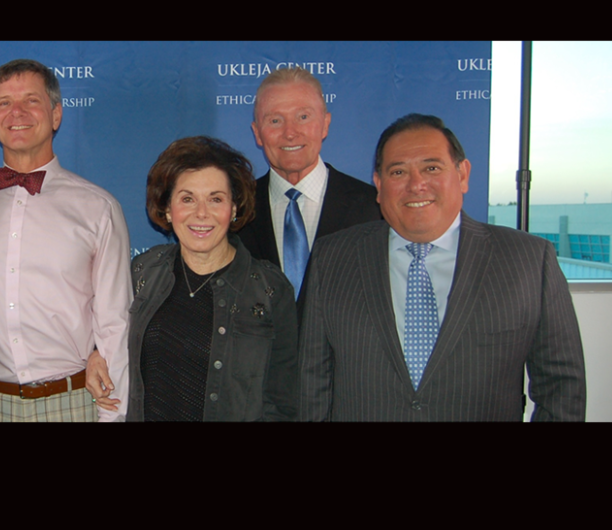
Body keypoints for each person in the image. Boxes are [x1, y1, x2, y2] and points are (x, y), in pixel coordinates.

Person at [298, 114, 586, 421]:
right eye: (398, 172)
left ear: (463, 174)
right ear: (379, 186)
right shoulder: (332, 258)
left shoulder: (529, 260)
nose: (417, 184)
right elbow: (313, 384)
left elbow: (561, 388)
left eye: (431, 168)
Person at [0, 58, 131, 422]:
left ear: (56, 115)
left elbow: (115, 322)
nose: (17, 113)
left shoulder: (98, 208)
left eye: (31, 100)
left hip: (73, 404)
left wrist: (112, 416)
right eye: (4, 103)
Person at [126, 136, 297, 421]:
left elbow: (284, 401)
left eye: (215, 199)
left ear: (234, 209)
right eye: (187, 199)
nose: (201, 213)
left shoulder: (269, 289)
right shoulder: (143, 271)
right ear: (168, 208)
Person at [231, 66, 382, 300]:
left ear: (325, 124)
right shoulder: (234, 209)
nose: (290, 133)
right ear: (257, 133)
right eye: (275, 120)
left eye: (303, 117)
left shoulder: (373, 207)